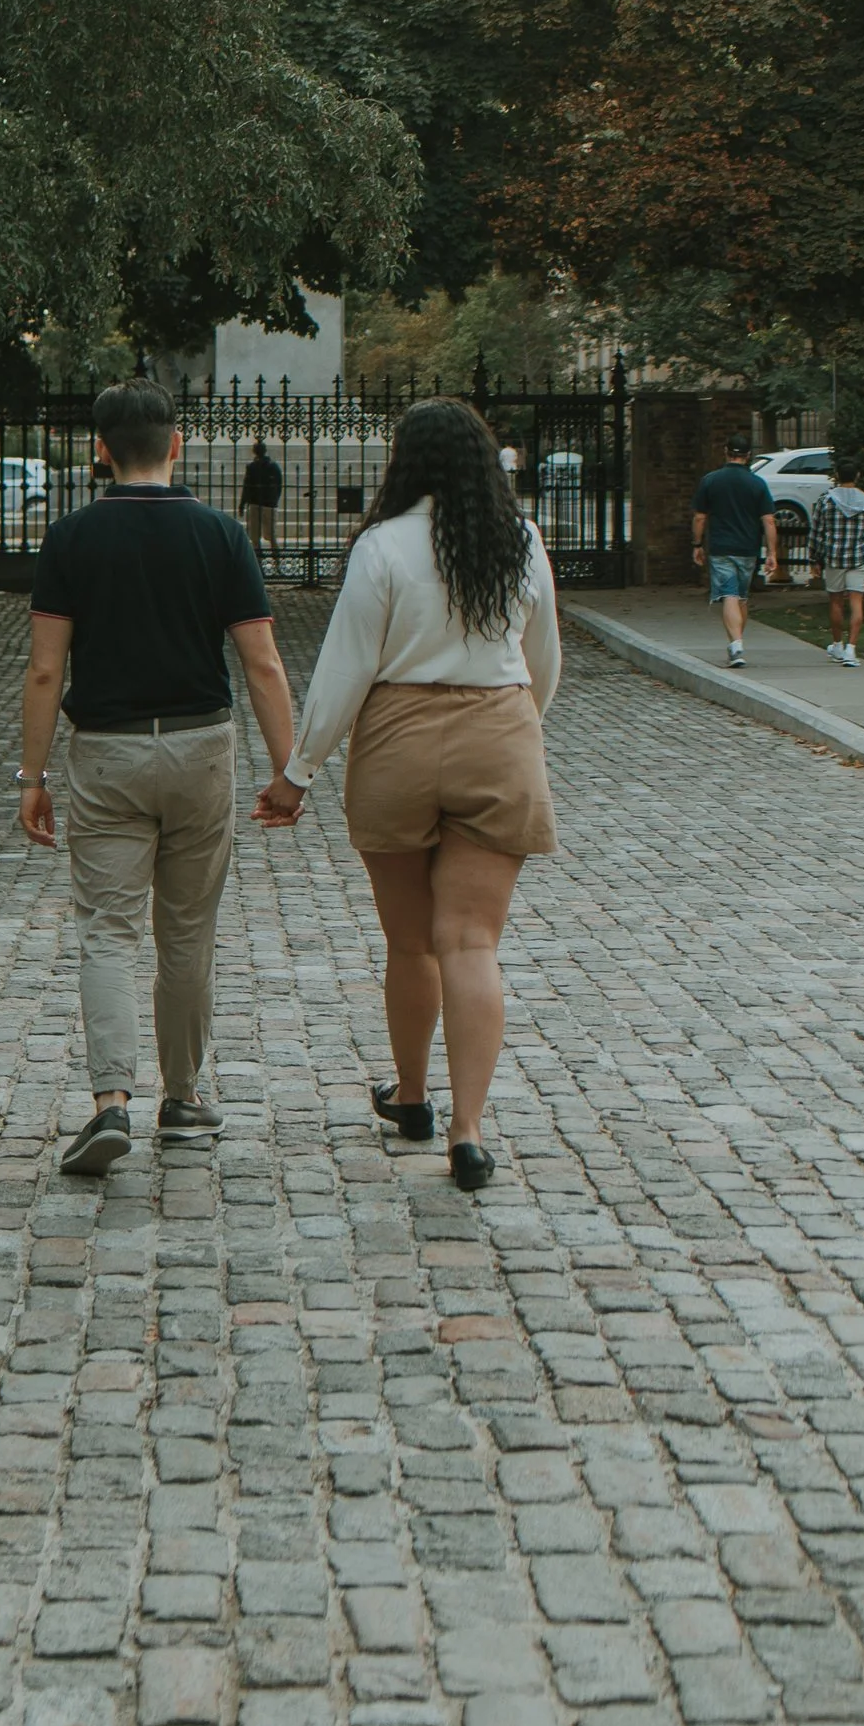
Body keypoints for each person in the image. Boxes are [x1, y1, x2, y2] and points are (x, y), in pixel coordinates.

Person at [262, 396, 558, 1196]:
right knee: (471, 943)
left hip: (398, 732)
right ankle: (468, 1129)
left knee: (411, 942)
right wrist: (516, 729)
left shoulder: (382, 546)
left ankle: (414, 1095)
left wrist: (298, 772)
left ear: (407, 461)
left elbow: (346, 665)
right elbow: (544, 659)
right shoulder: (520, 541)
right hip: (499, 728)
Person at [19, 379, 301, 1181]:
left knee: (107, 929)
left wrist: (30, 776)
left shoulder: (70, 539)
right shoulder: (220, 535)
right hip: (200, 747)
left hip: (106, 752)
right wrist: (291, 770)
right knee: (186, 931)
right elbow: (261, 661)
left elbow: (46, 671)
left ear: (100, 449)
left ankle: (111, 1101)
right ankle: (182, 1097)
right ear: (176, 445)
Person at [691, 432, 777, 667]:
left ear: (726, 452)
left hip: (721, 546)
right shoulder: (757, 483)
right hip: (748, 547)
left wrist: (697, 544)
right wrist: (772, 552)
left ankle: (736, 644)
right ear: (749, 455)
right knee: (741, 597)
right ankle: (736, 642)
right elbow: (768, 520)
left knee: (729, 594)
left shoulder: (711, 480)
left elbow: (700, 517)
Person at [808, 470, 864, 665]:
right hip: (858, 556)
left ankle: (837, 644)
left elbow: (817, 531)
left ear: (838, 474)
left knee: (836, 602)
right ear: (857, 475)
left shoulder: (827, 501)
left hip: (834, 556)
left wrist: (814, 557)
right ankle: (851, 649)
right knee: (857, 603)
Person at [238, 434, 285, 568]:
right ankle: (276, 561)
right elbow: (279, 485)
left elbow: (247, 487)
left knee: (256, 536)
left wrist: (242, 504)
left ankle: (259, 563)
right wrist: (274, 500)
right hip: (267, 504)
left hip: (255, 503)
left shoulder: (253, 467)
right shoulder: (272, 466)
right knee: (270, 535)